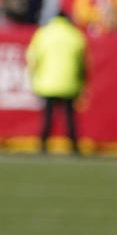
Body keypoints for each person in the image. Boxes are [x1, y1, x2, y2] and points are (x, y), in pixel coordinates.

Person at [25, 13, 87, 154]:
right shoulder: (75, 35)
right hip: (69, 83)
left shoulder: (43, 33)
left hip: (47, 83)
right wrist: (81, 83)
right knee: (69, 118)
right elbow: (83, 63)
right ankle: (74, 147)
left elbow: (32, 58)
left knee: (47, 118)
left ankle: (43, 146)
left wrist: (33, 78)